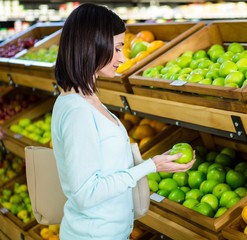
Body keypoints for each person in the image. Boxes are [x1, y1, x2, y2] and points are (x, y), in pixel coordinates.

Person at [51, 3, 195, 240]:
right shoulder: (78, 111)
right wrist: (151, 166)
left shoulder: (86, 99)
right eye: (117, 49)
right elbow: (86, 193)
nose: (123, 57)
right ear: (93, 46)